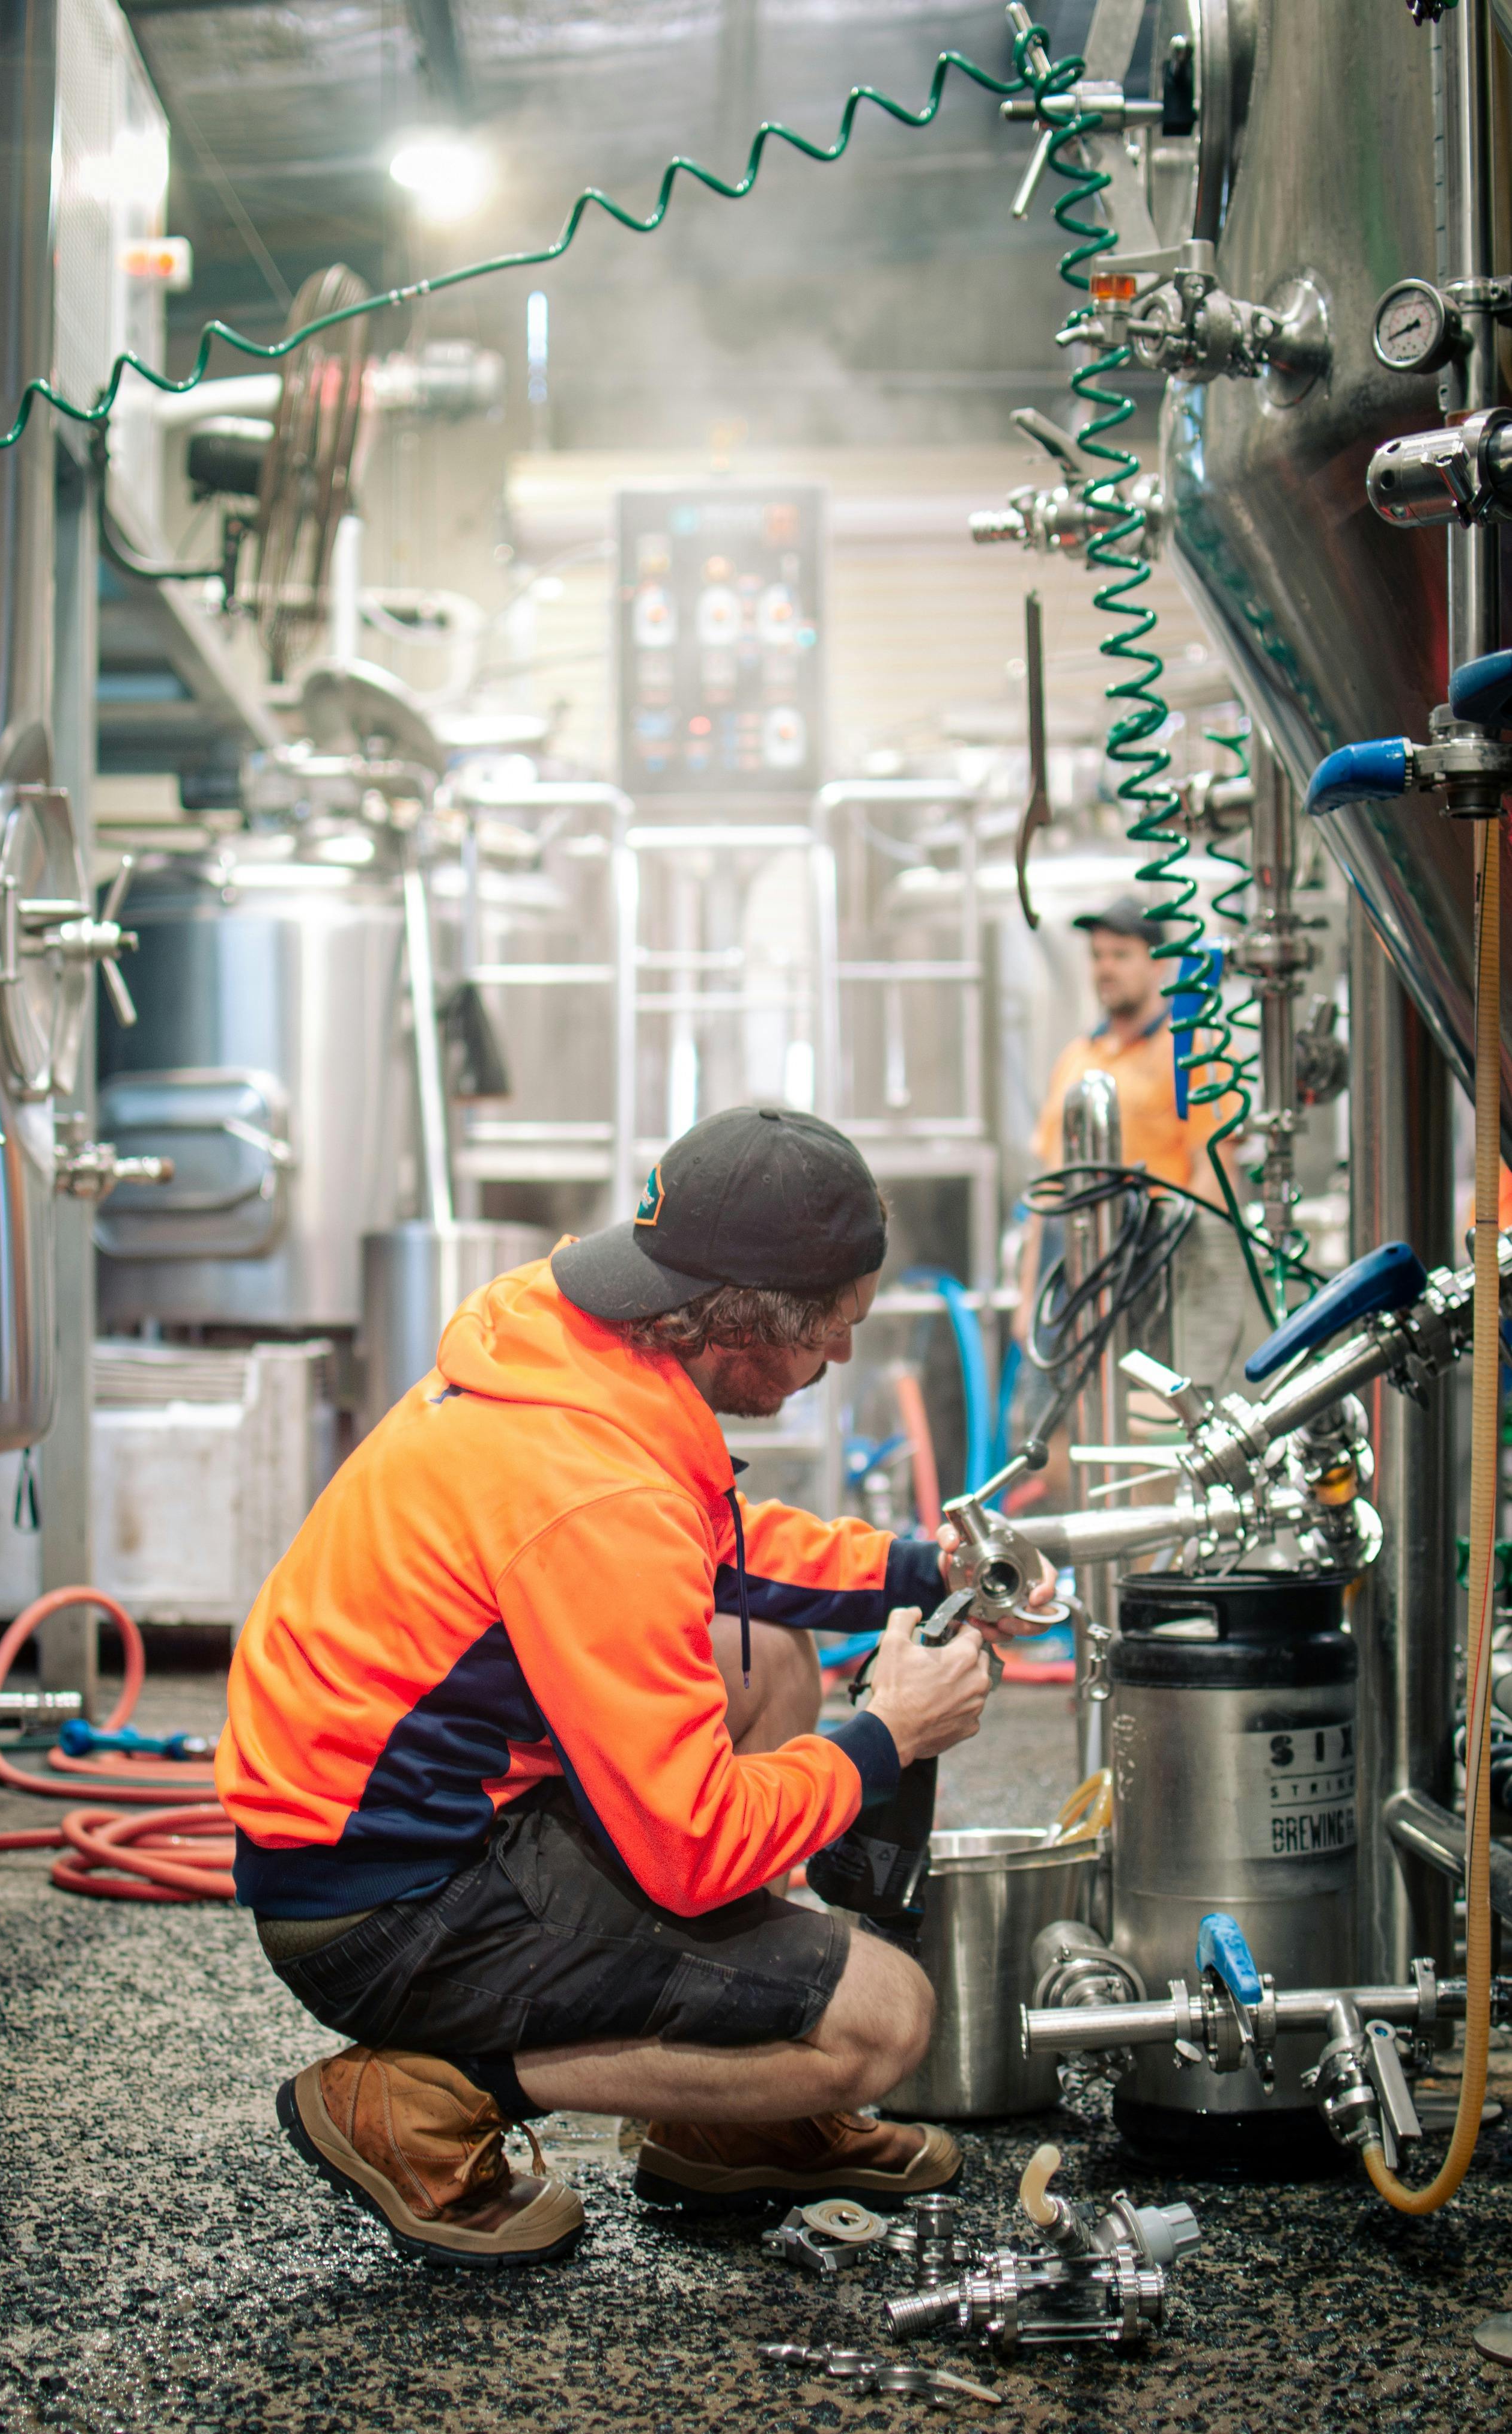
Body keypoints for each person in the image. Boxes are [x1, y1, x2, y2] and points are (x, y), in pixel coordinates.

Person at [217, 1107, 1047, 2269]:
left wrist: (918, 1569)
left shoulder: (573, 1340)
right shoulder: (597, 1492)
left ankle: (724, 2111)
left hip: (406, 1819)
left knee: (762, 1656)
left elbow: (705, 1537)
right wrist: (886, 1735)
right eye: (832, 1331)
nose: (840, 1359)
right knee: (881, 2018)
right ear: (744, 1325)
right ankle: (433, 2094)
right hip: (385, 1912)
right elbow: (693, 1847)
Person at [1013, 890, 1222, 1357]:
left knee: (1143, 1395)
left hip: (1149, 1259)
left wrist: (1182, 1276)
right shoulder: (1075, 1058)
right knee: (1052, 1394)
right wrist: (1028, 1299)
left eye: (1121, 955)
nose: (1105, 968)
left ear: (1158, 964)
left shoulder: (1189, 1052)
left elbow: (1212, 1174)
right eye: (1097, 956)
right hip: (1064, 1265)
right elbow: (1047, 1189)